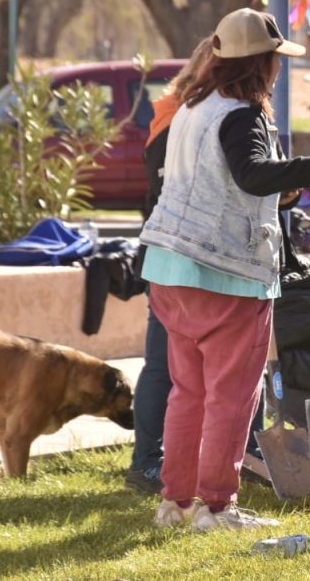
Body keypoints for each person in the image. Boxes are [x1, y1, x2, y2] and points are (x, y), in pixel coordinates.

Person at [138, 8, 310, 532]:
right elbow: (251, 173)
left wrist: (279, 190)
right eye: (275, 59)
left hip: (169, 268)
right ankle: (217, 508)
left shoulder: (190, 106)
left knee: (188, 391)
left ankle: (176, 503)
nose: (279, 69)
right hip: (225, 274)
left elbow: (225, 179)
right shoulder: (243, 114)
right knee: (232, 396)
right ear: (261, 63)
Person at [125, 35, 215, 494]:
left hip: (162, 255)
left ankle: (151, 462)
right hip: (180, 258)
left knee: (165, 365)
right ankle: (148, 462)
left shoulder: (166, 116)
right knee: (169, 366)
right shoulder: (189, 122)